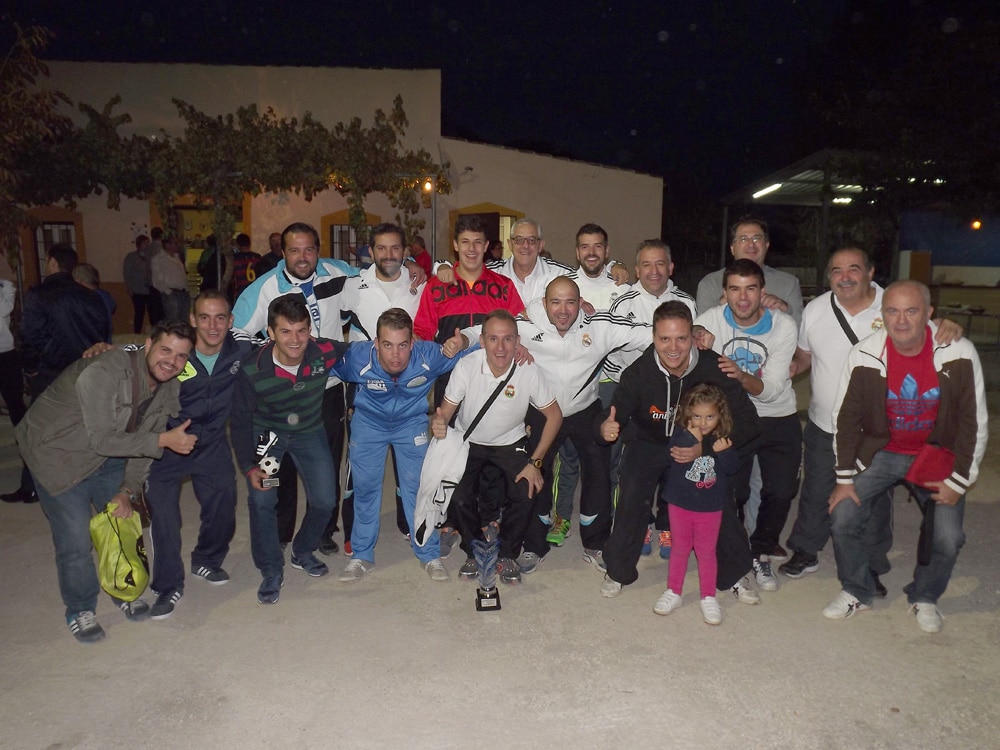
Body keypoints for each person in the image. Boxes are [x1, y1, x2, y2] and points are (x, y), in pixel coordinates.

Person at [782, 249, 964, 587]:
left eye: (854, 269)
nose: (845, 276)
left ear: (871, 272)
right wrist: (791, 368)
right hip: (825, 423)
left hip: (880, 430)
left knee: (875, 497)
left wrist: (947, 325)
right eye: (837, 270)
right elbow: (806, 355)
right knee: (817, 487)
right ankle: (806, 550)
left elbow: (930, 332)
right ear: (829, 276)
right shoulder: (816, 309)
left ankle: (871, 564)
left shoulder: (893, 303)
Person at [15, 321, 198, 643]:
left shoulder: (170, 387)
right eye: (165, 349)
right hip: (57, 456)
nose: (171, 361)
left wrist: (127, 491)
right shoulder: (103, 372)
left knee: (122, 525)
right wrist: (162, 440)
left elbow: (144, 448)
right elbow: (104, 439)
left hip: (107, 456)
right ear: (147, 344)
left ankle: (124, 590)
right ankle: (80, 608)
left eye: (182, 356)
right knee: (75, 540)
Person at [823, 281, 988, 633]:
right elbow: (847, 418)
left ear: (929, 313)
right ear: (881, 315)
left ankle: (925, 596)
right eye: (892, 311)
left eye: (911, 311)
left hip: (935, 455)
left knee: (948, 536)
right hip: (881, 452)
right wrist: (843, 480)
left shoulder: (958, 351)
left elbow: (973, 422)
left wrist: (960, 481)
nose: (901, 320)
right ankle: (856, 589)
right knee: (843, 516)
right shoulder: (865, 353)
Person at [597, 301, 761, 605]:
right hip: (649, 442)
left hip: (699, 444)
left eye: (682, 338)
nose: (673, 347)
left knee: (717, 498)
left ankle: (736, 573)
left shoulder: (715, 367)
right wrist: (608, 425)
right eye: (664, 339)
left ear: (692, 336)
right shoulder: (639, 372)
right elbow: (615, 413)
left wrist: (707, 447)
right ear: (654, 338)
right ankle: (618, 570)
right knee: (632, 493)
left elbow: (750, 423)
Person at [513, 276, 651, 576]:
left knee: (599, 476)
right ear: (544, 304)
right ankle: (534, 545)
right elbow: (485, 331)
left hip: (585, 412)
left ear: (580, 303)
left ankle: (595, 542)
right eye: (556, 302)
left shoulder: (598, 326)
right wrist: (465, 340)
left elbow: (650, 334)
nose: (563, 310)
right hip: (543, 412)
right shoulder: (525, 326)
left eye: (571, 302)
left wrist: (692, 333)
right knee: (535, 476)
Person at [413, 214, 525, 563]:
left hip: (495, 381)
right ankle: (449, 521)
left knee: (488, 450)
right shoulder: (438, 286)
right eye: (466, 242)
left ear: (487, 246)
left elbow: (520, 324)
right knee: (453, 451)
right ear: (456, 246)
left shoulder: (503, 286)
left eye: (479, 242)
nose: (473, 249)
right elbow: (421, 333)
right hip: (452, 382)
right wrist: (441, 350)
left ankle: (488, 517)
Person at [332, 309, 473, 582]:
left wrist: (471, 342)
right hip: (368, 424)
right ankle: (361, 555)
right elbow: (319, 364)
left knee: (419, 489)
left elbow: (482, 349)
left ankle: (429, 554)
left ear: (413, 342)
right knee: (366, 488)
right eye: (387, 345)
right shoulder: (359, 357)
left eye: (402, 345)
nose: (395, 354)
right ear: (376, 343)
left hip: (410, 424)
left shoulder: (429, 356)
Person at [230, 295, 349, 605]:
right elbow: (241, 422)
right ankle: (271, 569)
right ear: (270, 333)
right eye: (285, 331)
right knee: (263, 499)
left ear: (310, 330)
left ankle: (302, 550)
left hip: (309, 432)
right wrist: (249, 466)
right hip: (269, 439)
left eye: (301, 331)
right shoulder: (253, 368)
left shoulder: (323, 350)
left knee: (325, 500)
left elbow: (362, 351)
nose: (295, 340)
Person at [433, 310, 563, 585]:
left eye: (507, 340)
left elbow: (555, 415)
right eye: (493, 339)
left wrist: (535, 462)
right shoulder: (467, 366)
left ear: (518, 342)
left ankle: (506, 553)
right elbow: (445, 412)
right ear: (482, 341)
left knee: (528, 488)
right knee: (458, 493)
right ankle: (474, 549)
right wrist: (439, 423)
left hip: (510, 442)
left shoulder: (528, 370)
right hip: (470, 442)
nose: (500, 347)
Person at [143, 290, 252, 618]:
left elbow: (285, 344)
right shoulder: (178, 352)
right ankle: (167, 586)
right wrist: (102, 348)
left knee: (224, 502)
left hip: (213, 443)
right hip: (167, 446)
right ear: (192, 320)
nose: (213, 325)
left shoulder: (242, 349)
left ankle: (206, 559)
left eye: (220, 317)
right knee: (164, 516)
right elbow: (136, 354)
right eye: (204, 317)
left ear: (231, 321)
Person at [693, 258, 800, 593]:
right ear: (724, 293)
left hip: (776, 415)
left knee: (781, 491)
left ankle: (761, 551)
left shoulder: (783, 326)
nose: (743, 298)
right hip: (732, 417)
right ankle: (735, 555)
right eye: (735, 289)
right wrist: (695, 336)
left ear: (762, 292)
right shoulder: (710, 320)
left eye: (750, 289)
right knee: (730, 491)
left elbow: (769, 391)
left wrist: (739, 375)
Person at [594, 239, 697, 556]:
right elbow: (612, 338)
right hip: (627, 389)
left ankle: (665, 527)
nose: (654, 271)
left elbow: (691, 348)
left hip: (673, 394)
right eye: (647, 265)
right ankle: (632, 524)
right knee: (626, 466)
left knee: (670, 465)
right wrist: (657, 339)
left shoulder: (687, 302)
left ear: (671, 267)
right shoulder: (622, 299)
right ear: (637, 269)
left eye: (660, 263)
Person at [340, 223, 426, 551]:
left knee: (408, 458)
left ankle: (408, 521)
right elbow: (333, 320)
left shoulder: (421, 282)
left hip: (409, 385)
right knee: (359, 461)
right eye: (381, 248)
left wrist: (440, 266)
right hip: (366, 386)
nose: (388, 255)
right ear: (371, 252)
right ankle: (352, 530)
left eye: (395, 249)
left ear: (406, 252)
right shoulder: (352, 286)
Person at [7, 244, 112, 505]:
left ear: (52, 262)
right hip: (88, 372)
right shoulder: (93, 296)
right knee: (84, 429)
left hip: (51, 374)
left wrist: (30, 369)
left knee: (37, 433)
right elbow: (102, 333)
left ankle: (33, 486)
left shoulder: (40, 294)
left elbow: (29, 336)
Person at [651, 384, 737, 625]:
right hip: (680, 504)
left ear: (720, 415)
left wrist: (725, 452)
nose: (703, 422)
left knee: (706, 552)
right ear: (688, 415)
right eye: (697, 416)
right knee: (679, 548)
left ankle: (708, 596)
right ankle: (674, 591)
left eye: (710, 416)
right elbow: (671, 455)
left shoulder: (722, 439)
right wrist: (692, 439)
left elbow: (733, 468)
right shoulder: (682, 433)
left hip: (710, 508)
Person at [696, 215, 803, 326]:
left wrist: (785, 309)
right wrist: (725, 302)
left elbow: (798, 332)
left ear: (766, 245)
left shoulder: (788, 283)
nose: (751, 244)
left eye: (757, 238)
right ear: (732, 248)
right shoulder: (710, 283)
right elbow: (701, 331)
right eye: (743, 239)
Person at [0, 269, 28, 500]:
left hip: (6, 355)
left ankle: (29, 459)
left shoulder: (6, 287)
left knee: (17, 408)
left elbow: (4, 310)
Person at [153, 235, 191, 322]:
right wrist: (169, 293)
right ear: (167, 245)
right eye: (175, 243)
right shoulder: (158, 259)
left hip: (184, 293)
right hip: (172, 294)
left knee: (184, 322)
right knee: (173, 322)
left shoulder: (177, 257)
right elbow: (157, 281)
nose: (178, 245)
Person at [123, 234, 155, 333]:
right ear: (139, 244)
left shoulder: (151, 257)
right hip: (138, 290)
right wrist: (129, 289)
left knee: (153, 313)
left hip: (149, 290)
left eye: (148, 243)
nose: (147, 246)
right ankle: (137, 333)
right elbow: (126, 273)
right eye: (145, 243)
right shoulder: (131, 257)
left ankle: (153, 333)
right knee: (139, 313)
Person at [228, 232, 260, 303]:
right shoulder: (257, 257)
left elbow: (231, 277)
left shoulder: (234, 258)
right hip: (255, 291)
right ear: (249, 244)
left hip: (240, 291)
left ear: (238, 245)